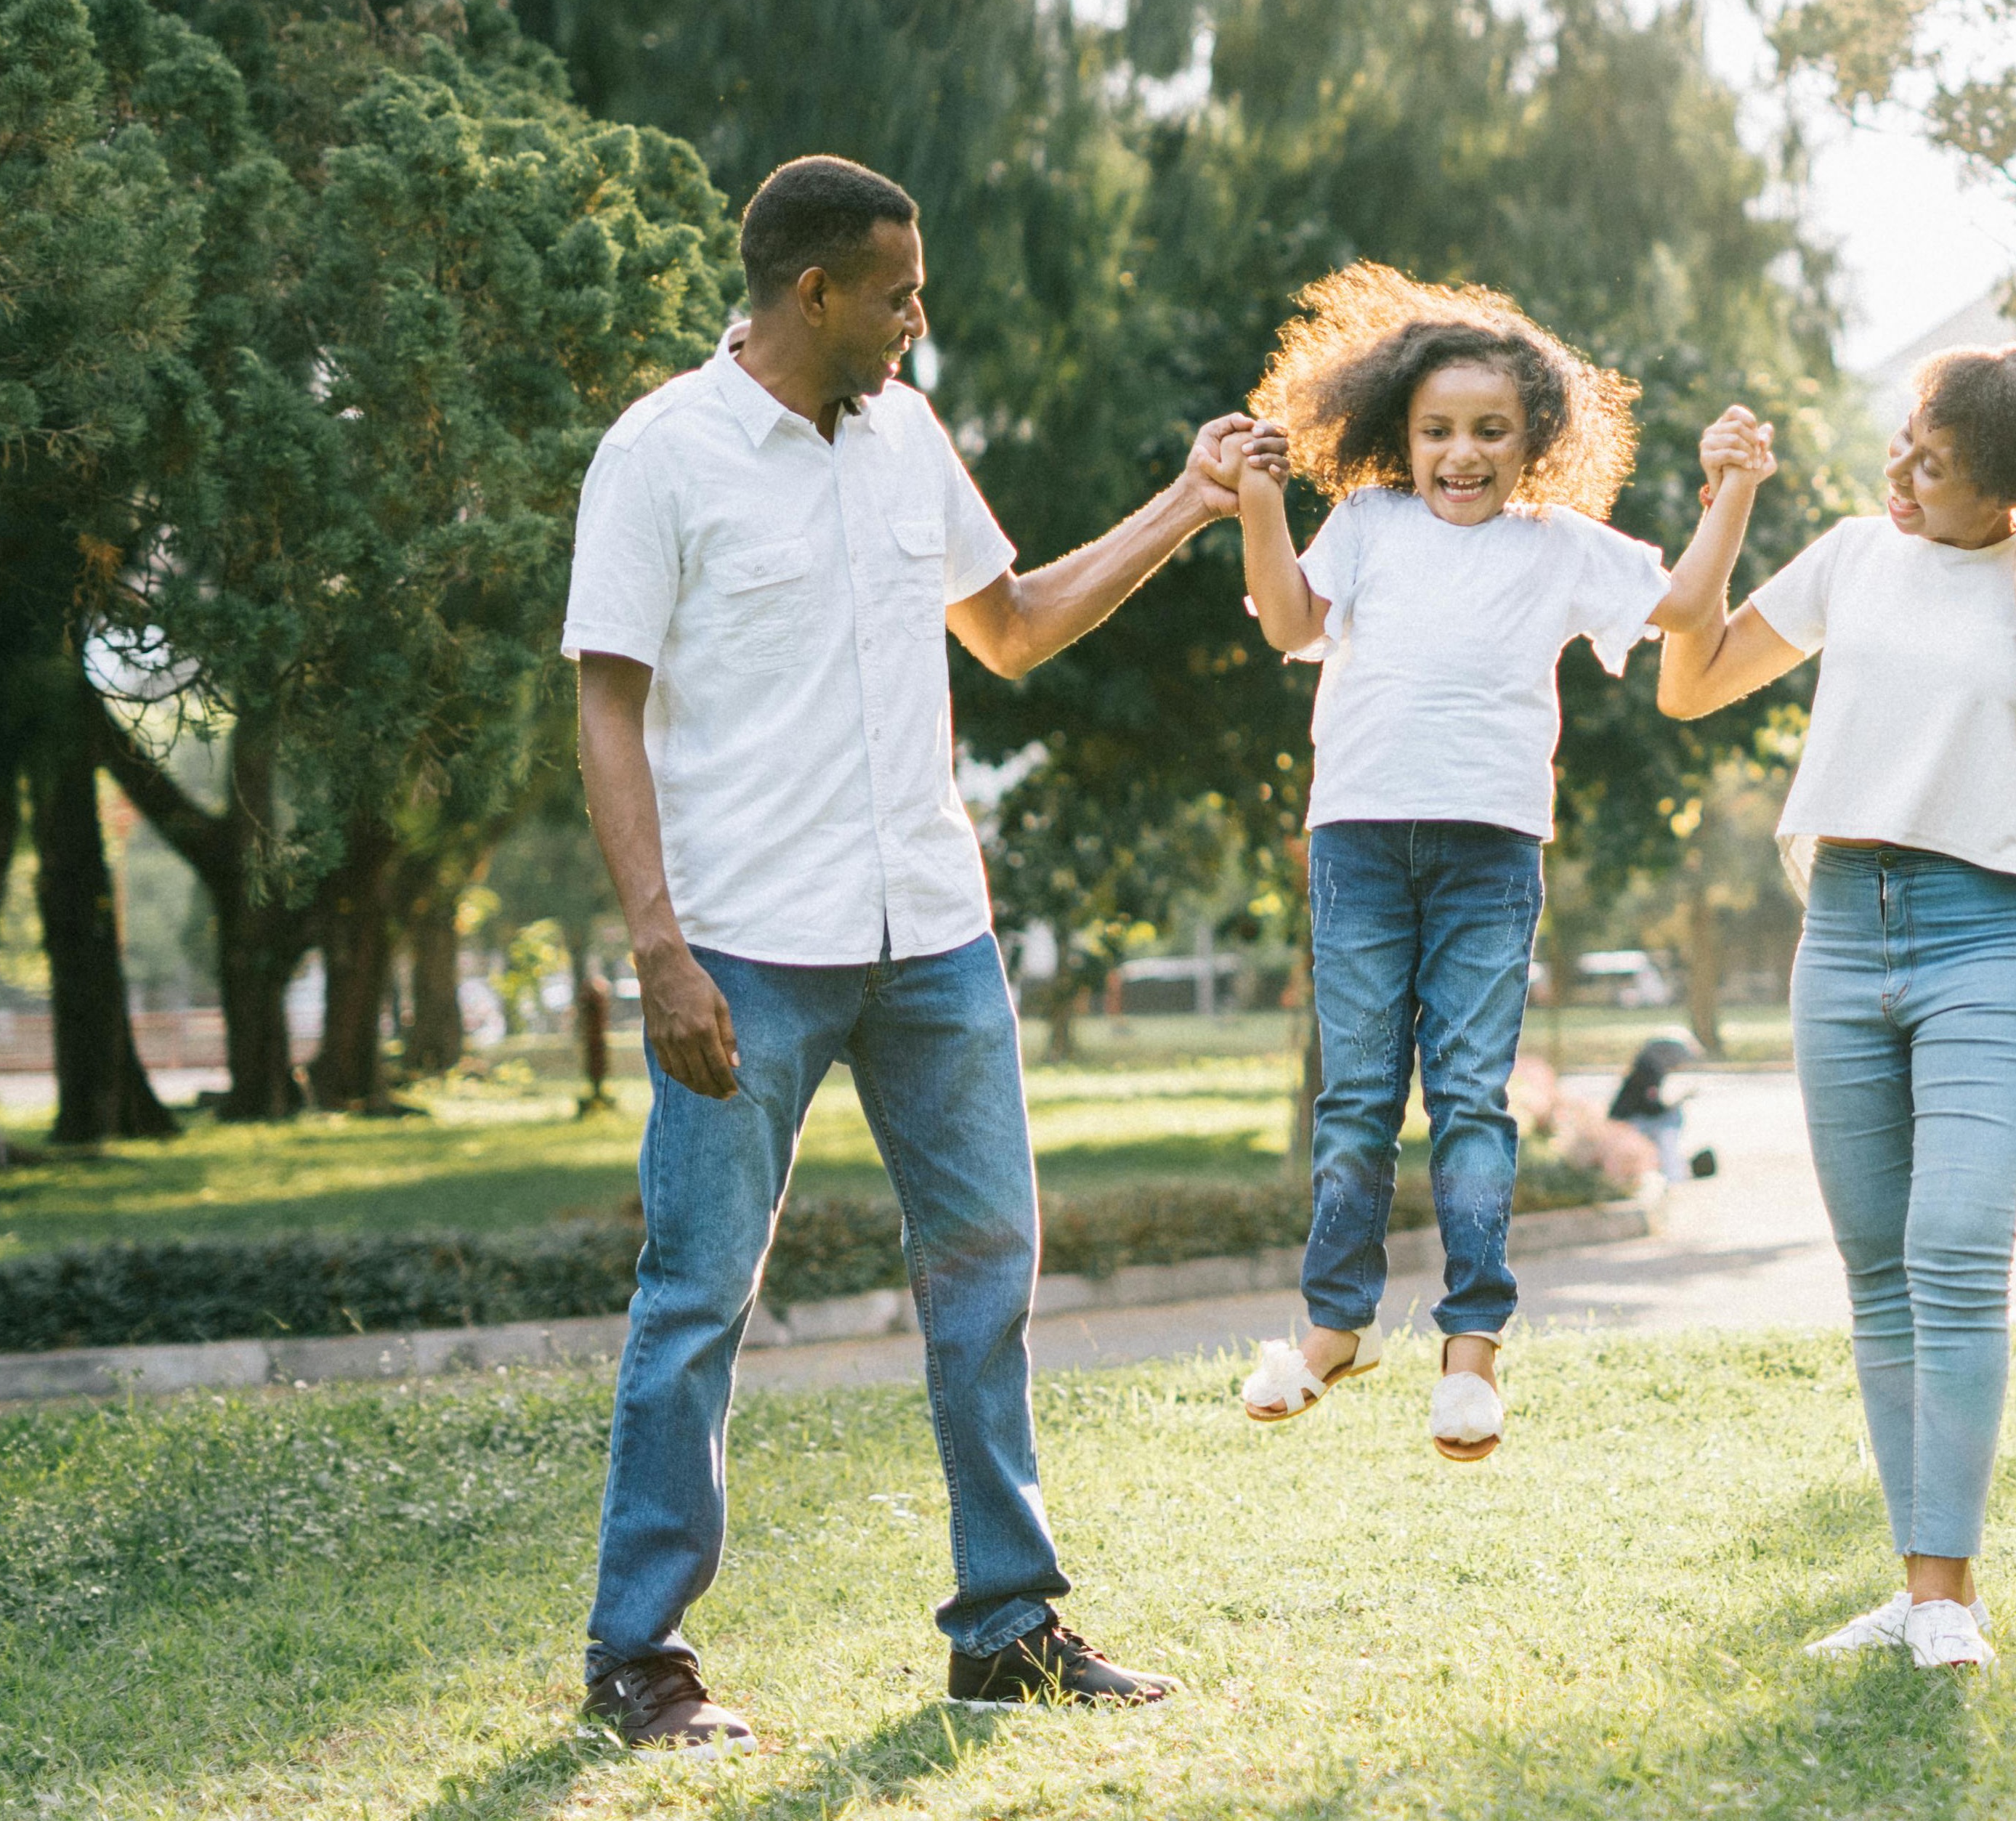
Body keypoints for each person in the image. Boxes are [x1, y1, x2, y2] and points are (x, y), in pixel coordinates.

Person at [562, 155, 1288, 1743]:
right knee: (697, 1289)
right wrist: (659, 949)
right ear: (811, 290)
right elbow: (605, 702)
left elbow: (1011, 622)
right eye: (898, 289)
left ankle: (1007, 1624)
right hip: (745, 946)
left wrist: (1189, 499)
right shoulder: (662, 454)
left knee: (986, 1274)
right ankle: (641, 1653)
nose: (918, 314)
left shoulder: (907, 438)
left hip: (933, 933)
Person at [1226, 263, 1771, 1461]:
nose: (1459, 454)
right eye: (1435, 432)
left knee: (1471, 1093)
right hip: (1361, 839)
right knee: (1360, 1093)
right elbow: (1286, 622)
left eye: (1488, 432)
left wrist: (1727, 490)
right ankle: (1334, 1327)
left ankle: (1471, 1348)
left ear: (1536, 441)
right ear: (1398, 435)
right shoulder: (1367, 524)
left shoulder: (1559, 545)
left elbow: (1684, 605)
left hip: (1488, 850)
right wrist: (1260, 504)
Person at [1656, 341, 2016, 1669]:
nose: (1904, 473)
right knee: (1881, 1278)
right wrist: (1730, 500)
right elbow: (1687, 682)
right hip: (1844, 933)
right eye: (1907, 443)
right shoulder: (1855, 554)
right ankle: (1922, 1589)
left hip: (1998, 933)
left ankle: (1944, 1597)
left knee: (1955, 1243)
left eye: (1939, 465)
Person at [1607, 1033, 1699, 1185]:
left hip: (1632, 1118)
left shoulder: (1646, 1068)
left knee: (1670, 1120)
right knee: (1671, 1122)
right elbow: (1650, 1107)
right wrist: (1678, 1102)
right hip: (1628, 1122)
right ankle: (1673, 1173)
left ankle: (1672, 1170)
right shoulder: (1649, 1070)